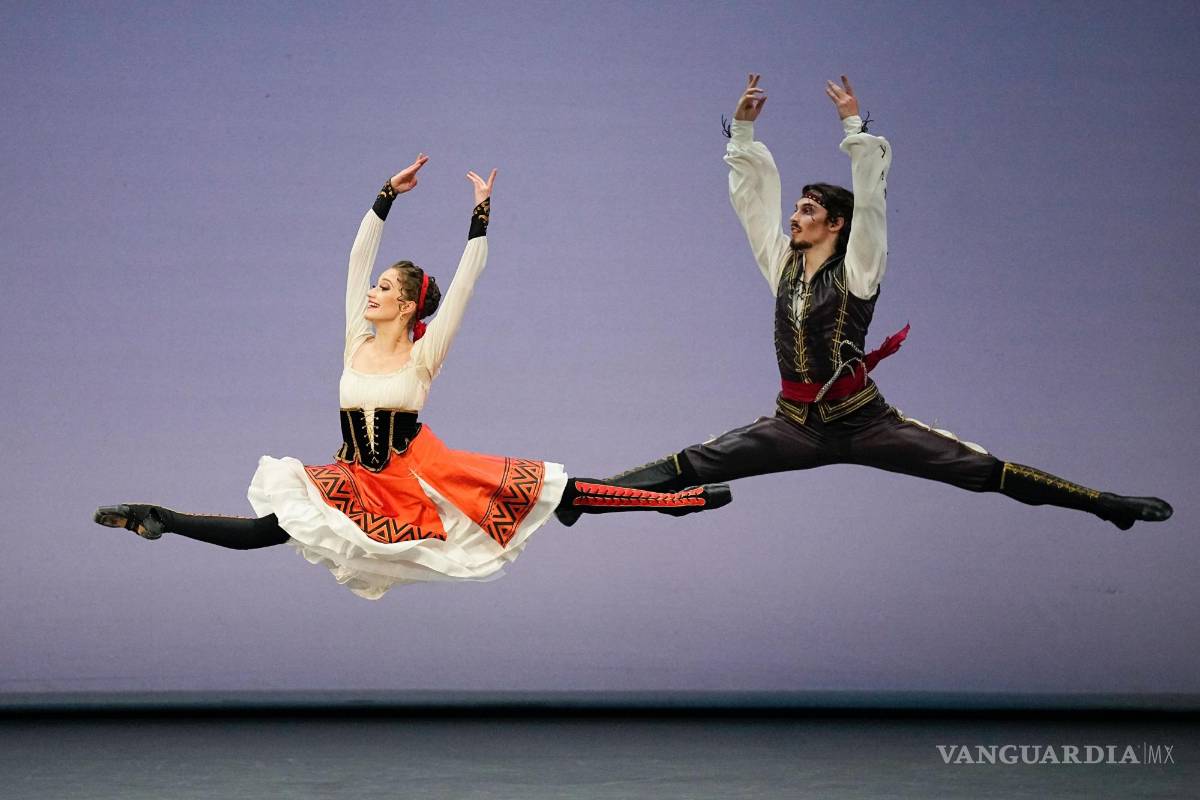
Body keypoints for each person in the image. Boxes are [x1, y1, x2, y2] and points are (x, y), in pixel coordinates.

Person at [95, 155, 730, 599]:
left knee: (549, 489)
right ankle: (159, 516)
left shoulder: (424, 356)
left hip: (419, 470)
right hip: (353, 475)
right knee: (272, 529)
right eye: (376, 286)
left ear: (406, 306)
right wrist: (385, 196)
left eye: (386, 290)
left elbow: (464, 286)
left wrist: (480, 216)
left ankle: (673, 500)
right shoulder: (354, 339)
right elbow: (354, 260)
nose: (372, 292)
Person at [558, 74, 1171, 532]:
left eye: (807, 211)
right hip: (793, 426)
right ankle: (587, 496)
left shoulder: (860, 269)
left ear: (835, 224)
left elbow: (872, 205)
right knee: (695, 461)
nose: (793, 217)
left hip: (866, 423)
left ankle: (1106, 505)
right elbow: (749, 204)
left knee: (982, 470)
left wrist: (854, 129)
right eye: (796, 208)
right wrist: (742, 132)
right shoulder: (783, 266)